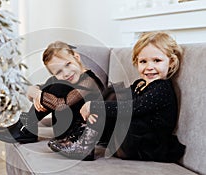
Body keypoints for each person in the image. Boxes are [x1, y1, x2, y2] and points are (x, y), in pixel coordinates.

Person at [50, 31, 186, 162]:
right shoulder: (140, 84)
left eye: (157, 60)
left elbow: (131, 108)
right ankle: (84, 141)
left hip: (145, 143)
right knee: (113, 94)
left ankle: (84, 142)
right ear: (136, 62)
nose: (149, 67)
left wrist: (95, 106)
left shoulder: (161, 89)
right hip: (129, 137)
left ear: (171, 62)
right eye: (143, 61)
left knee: (112, 105)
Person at [0, 41, 106, 155]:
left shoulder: (90, 81)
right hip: (62, 128)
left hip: (78, 133)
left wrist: (38, 94)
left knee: (58, 87)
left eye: (68, 64)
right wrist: (35, 90)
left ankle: (26, 128)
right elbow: (38, 90)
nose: (66, 73)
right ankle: (25, 128)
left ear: (76, 57)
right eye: (59, 71)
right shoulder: (60, 79)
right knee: (54, 84)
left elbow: (62, 104)